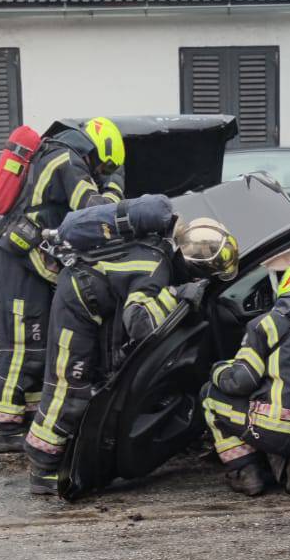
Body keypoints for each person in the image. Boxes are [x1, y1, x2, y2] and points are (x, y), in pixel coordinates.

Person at [24, 205, 240, 495]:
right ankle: (43, 466)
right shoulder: (157, 268)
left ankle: (64, 452)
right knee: (68, 385)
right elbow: (139, 320)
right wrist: (178, 297)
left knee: (97, 380)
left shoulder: (160, 251)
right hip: (77, 303)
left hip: (97, 304)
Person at [0, 116, 127, 449]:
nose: (100, 173)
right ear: (96, 151)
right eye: (103, 167)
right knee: (20, 347)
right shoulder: (68, 160)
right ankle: (3, 429)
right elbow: (92, 209)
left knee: (35, 348)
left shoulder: (57, 153)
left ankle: (32, 417)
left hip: (27, 263)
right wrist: (116, 186)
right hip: (18, 264)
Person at [203, 255, 290, 498]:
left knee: (210, 396)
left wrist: (218, 370)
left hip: (275, 428)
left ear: (287, 284)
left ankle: (245, 471)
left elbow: (242, 381)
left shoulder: (265, 324)